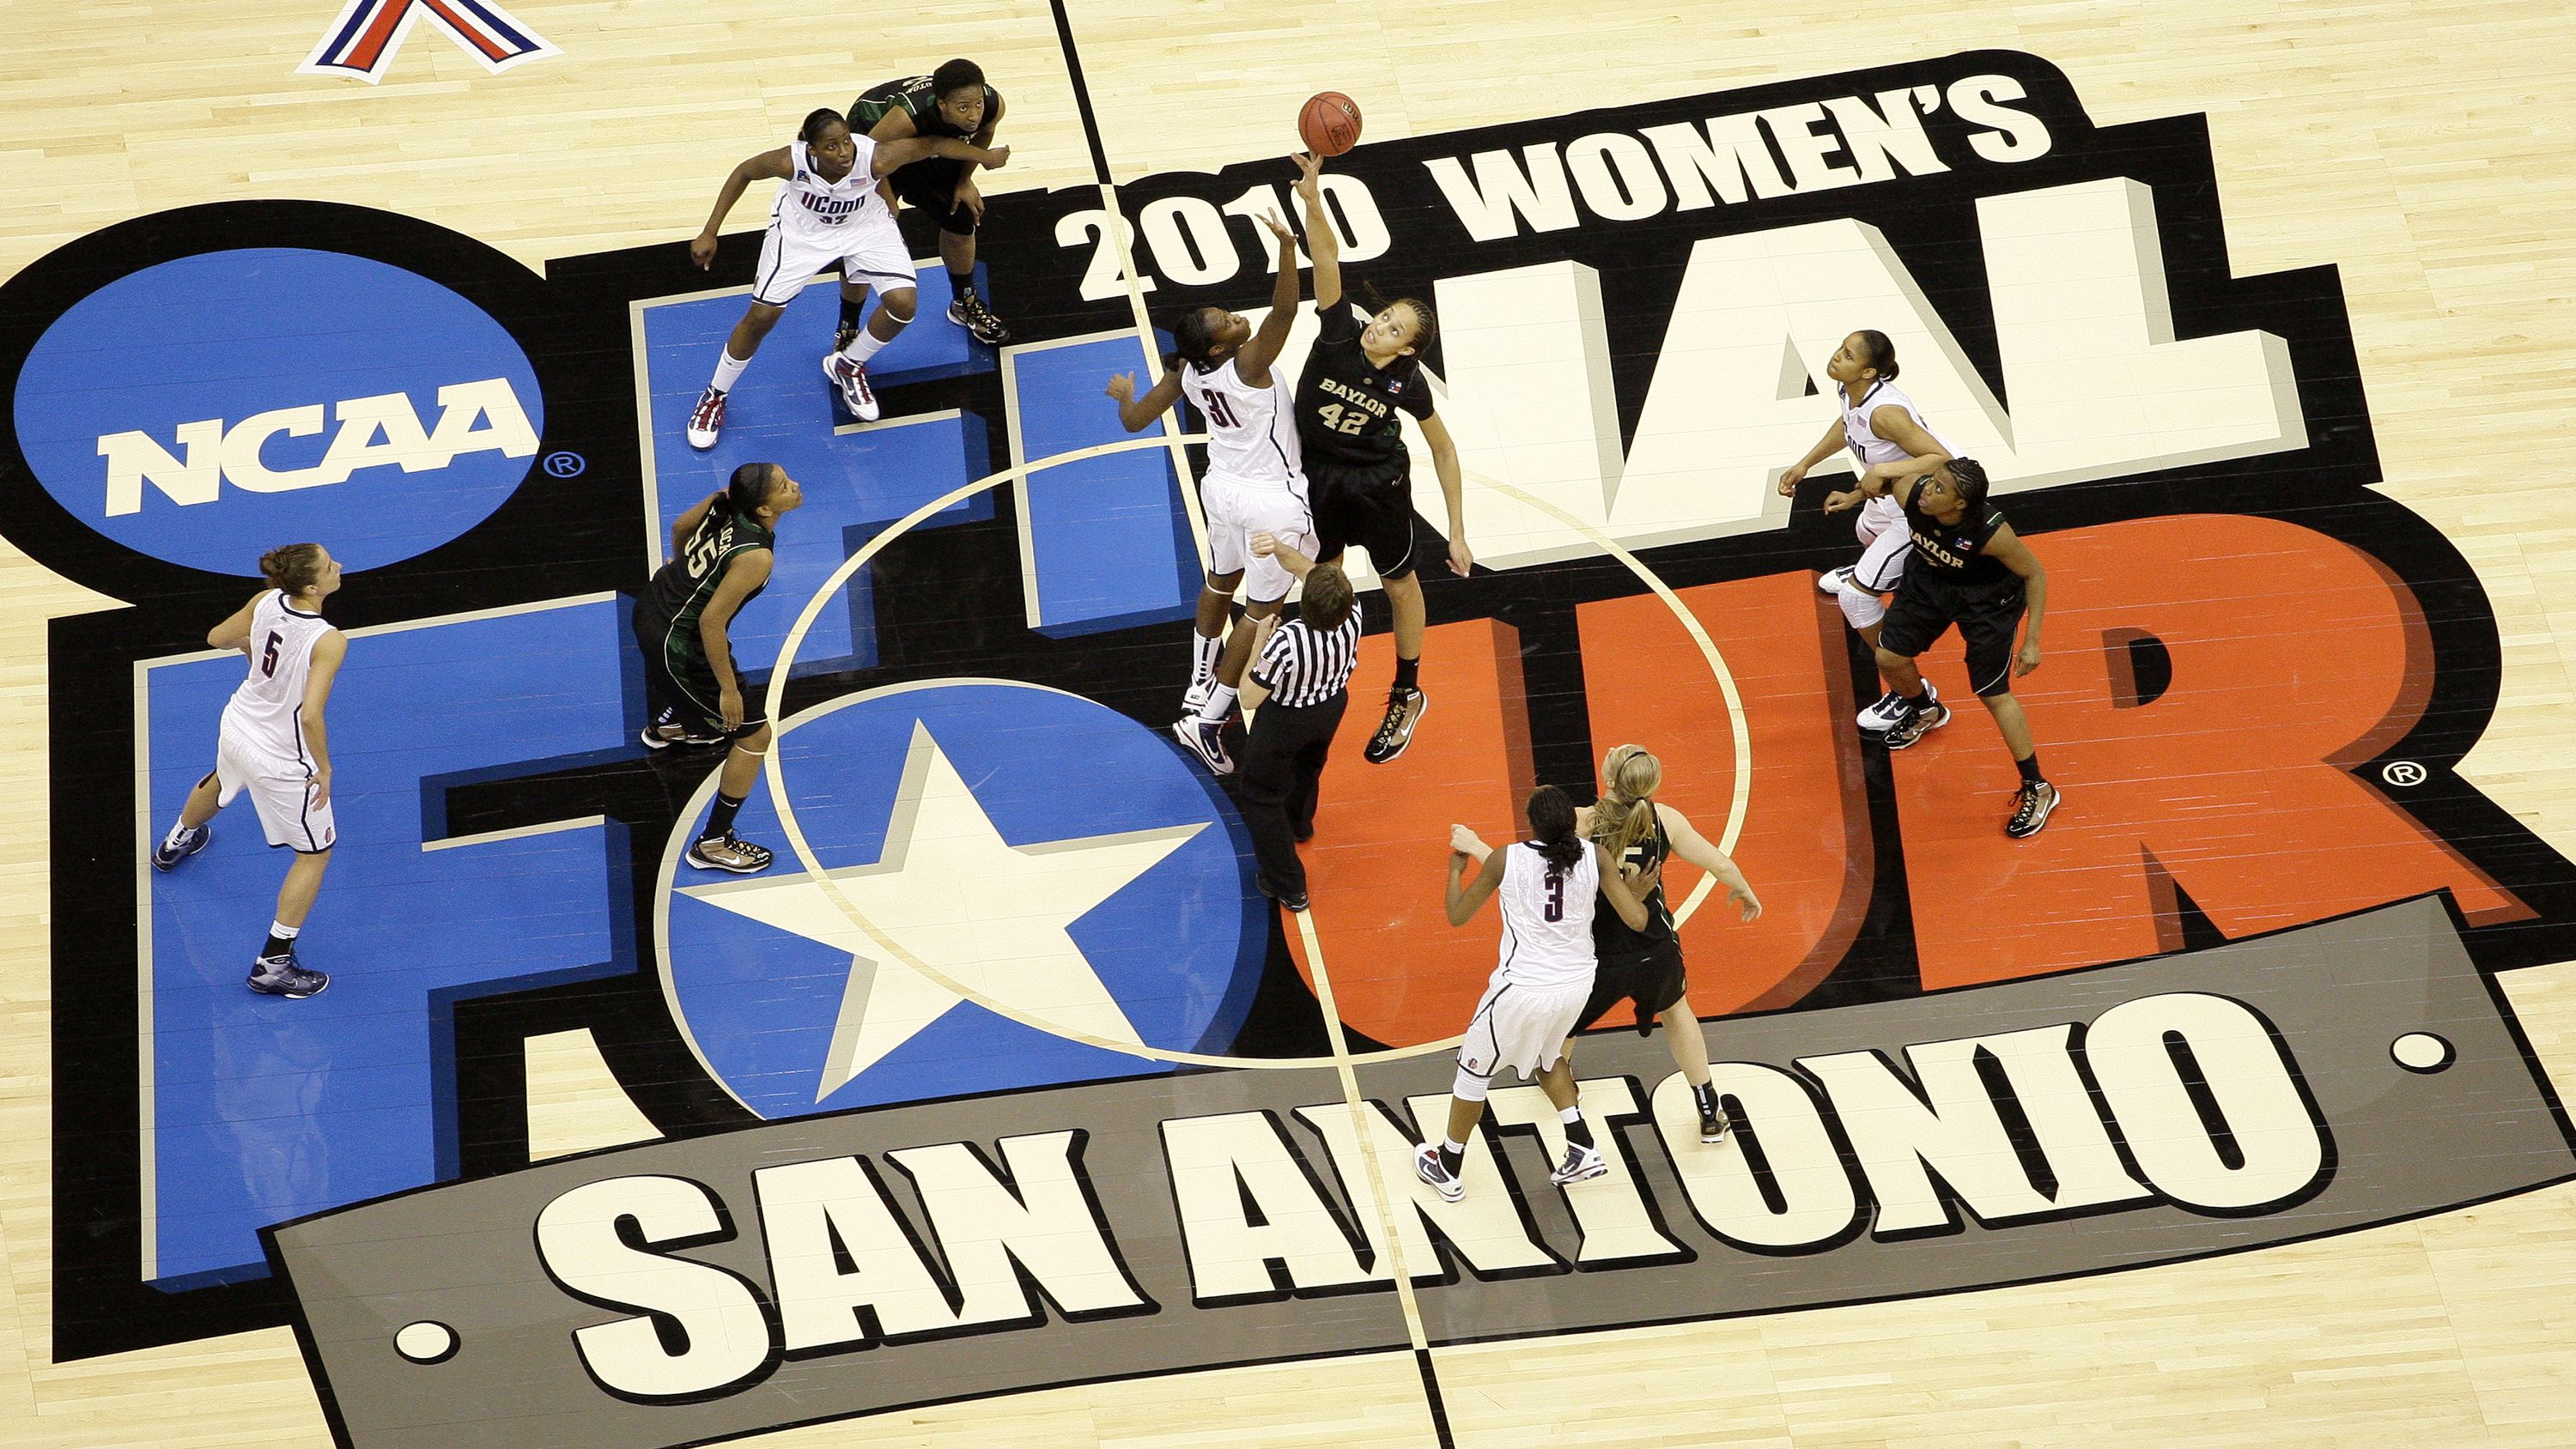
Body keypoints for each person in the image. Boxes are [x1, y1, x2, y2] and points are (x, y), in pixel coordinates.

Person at [1107, 159, 1323, 773]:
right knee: (1261, 614)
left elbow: (1135, 420)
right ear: (1224, 347)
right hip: (1267, 498)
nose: (1236, 317)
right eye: (1227, 322)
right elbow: (1287, 311)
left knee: (1218, 584)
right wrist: (1287, 248)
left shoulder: (1185, 371)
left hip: (1221, 488)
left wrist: (1126, 394)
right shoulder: (1248, 365)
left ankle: (1199, 680)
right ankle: (1209, 718)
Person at [683, 108, 1011, 448]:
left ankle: (848, 364)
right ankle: (714, 396)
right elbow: (743, 173)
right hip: (802, 234)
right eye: (831, 147)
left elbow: (936, 144)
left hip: (864, 227)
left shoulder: (874, 157)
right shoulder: (789, 162)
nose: (843, 153)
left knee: (904, 304)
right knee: (761, 317)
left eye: (846, 142)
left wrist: (984, 157)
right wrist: (710, 231)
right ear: (811, 149)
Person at [1293, 151, 1470, 767]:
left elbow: (1443, 448)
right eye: (1386, 318)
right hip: (1321, 476)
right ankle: (1314, 667)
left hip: (1378, 486)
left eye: (1395, 331)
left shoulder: (1409, 386)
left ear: (1409, 351)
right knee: (1324, 580)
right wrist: (1314, 199)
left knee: (1399, 584)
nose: (1382, 329)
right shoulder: (1339, 330)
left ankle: (1406, 690)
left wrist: (1458, 531)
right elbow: (1326, 258)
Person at [1416, 787, 1656, 1203]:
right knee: (1549, 1057)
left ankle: (1448, 1166)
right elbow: (1636, 921)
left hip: (1523, 988)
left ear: (1532, 824)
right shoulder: (1596, 857)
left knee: (1473, 1074)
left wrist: (1456, 871)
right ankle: (1582, 1145)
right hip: (1578, 983)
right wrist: (1638, 892)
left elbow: (1457, 916)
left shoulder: (1505, 858)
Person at [149, 543, 349, 999]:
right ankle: (273, 963)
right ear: (314, 586)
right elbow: (311, 716)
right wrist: (325, 768)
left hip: (239, 722)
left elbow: (217, 637)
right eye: (330, 564)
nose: (340, 565)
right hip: (280, 757)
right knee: (315, 854)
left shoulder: (264, 602)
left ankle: (174, 843)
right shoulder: (329, 640)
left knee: (221, 778)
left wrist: (257, 658)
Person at [1826, 458, 2061, 838]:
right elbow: (1885, 485)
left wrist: (2032, 641)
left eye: (1938, 489)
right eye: (1931, 482)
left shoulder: (1991, 533)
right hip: (1930, 583)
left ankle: (2038, 786)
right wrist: (1855, 495)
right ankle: (1925, 709)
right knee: (1889, 656)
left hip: (1987, 603)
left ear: (1960, 505)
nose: (1927, 491)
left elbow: (2035, 573)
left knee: (1993, 694)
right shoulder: (1912, 493)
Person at [1570, 744, 1762, 1145]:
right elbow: (1721, 864)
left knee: (1565, 1023)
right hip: (1653, 945)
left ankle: (1559, 1086)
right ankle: (1709, 1107)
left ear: (1609, 779)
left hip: (1597, 949)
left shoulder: (1583, 822)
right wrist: (1744, 891)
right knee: (1677, 1013)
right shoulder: (1665, 819)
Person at [1775, 330, 1959, 733]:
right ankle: (1874, 571)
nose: (1837, 357)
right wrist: (1806, 464)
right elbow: (1847, 427)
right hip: (1886, 497)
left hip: (1915, 508)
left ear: (1870, 370)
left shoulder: (1886, 412)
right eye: (1839, 348)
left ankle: (1918, 702)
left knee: (1856, 602)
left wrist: (1878, 474)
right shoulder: (1851, 391)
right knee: (1863, 531)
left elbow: (1940, 458)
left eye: (1848, 355)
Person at [635, 462, 808, 873]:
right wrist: (729, 691)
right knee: (754, 736)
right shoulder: (756, 557)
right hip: (678, 639)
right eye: (784, 486)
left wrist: (682, 573)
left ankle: (672, 727)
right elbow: (710, 623)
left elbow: (679, 528)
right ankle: (713, 843)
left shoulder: (721, 502)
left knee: (693, 684)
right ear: (765, 510)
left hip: (654, 604)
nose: (795, 485)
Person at [1230, 533, 1360, 912]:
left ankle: (1288, 884)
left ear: (1305, 603)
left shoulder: (1286, 641)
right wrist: (1283, 550)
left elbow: (1249, 697)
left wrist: (1258, 644)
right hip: (1331, 705)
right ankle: (1301, 824)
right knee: (1308, 767)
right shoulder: (1354, 615)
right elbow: (1311, 572)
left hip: (1286, 720)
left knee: (1259, 794)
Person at [848, 59, 1012, 346]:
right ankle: (847, 328)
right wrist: (887, 204)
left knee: (961, 217)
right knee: (863, 239)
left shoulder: (993, 104)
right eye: (963, 108)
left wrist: (963, 181)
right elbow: (868, 160)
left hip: (931, 146)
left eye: (977, 104)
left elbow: (983, 133)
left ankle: (963, 303)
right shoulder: (906, 117)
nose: (974, 115)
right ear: (941, 105)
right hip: (875, 149)